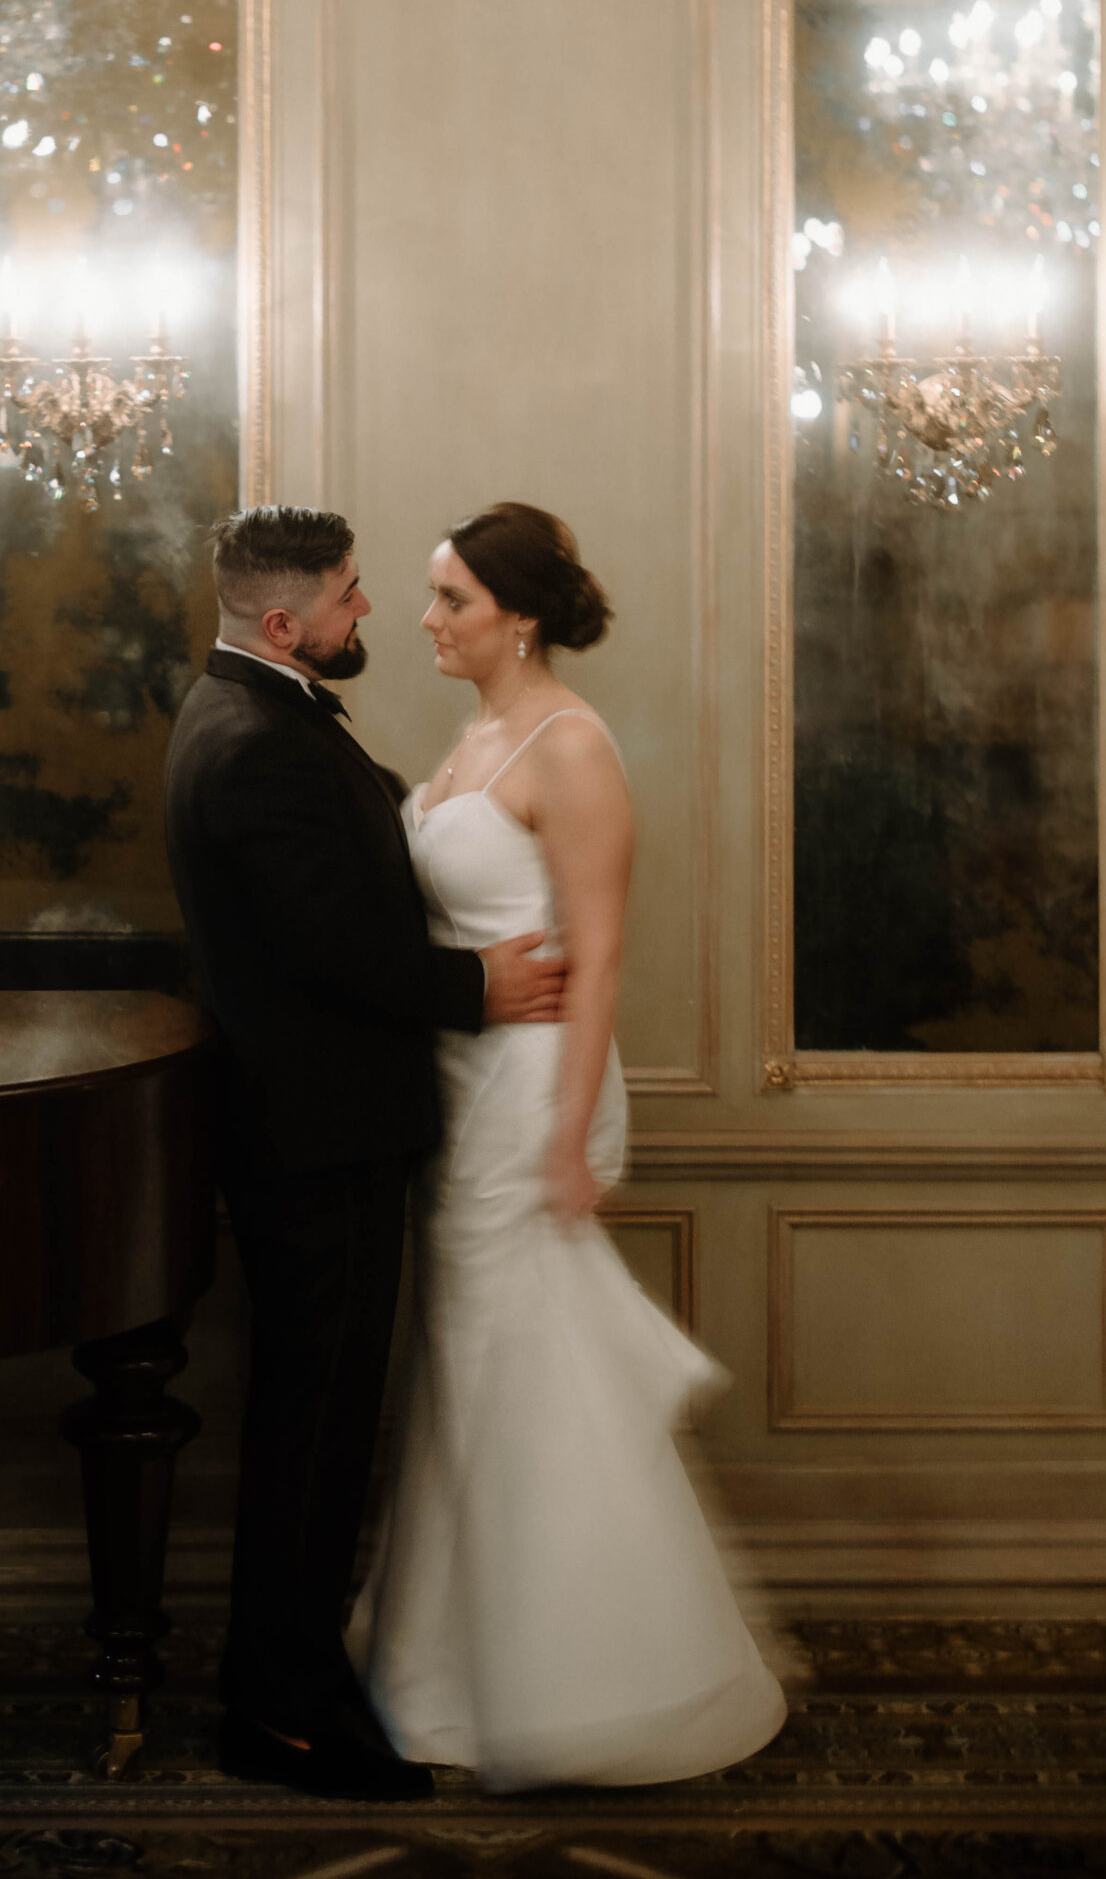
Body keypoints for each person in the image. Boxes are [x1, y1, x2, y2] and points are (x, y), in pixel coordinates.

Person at [350, 500, 788, 1790]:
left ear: (520, 615)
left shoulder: (572, 744)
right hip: (458, 1078)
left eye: (451, 601)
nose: (427, 619)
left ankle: (590, 1676)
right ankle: (457, 1665)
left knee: (512, 1363)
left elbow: (597, 964)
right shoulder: (477, 731)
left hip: (535, 1085)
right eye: (431, 597)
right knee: (464, 1361)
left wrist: (564, 1139)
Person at [163, 505, 569, 1803]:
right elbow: (335, 946)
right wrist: (480, 990)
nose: (369, 613)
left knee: (320, 1428)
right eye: (348, 596)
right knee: (314, 1434)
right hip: (317, 1144)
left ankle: (292, 1686)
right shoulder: (258, 743)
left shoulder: (251, 713)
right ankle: (279, 1716)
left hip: (317, 1135)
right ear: (284, 623)